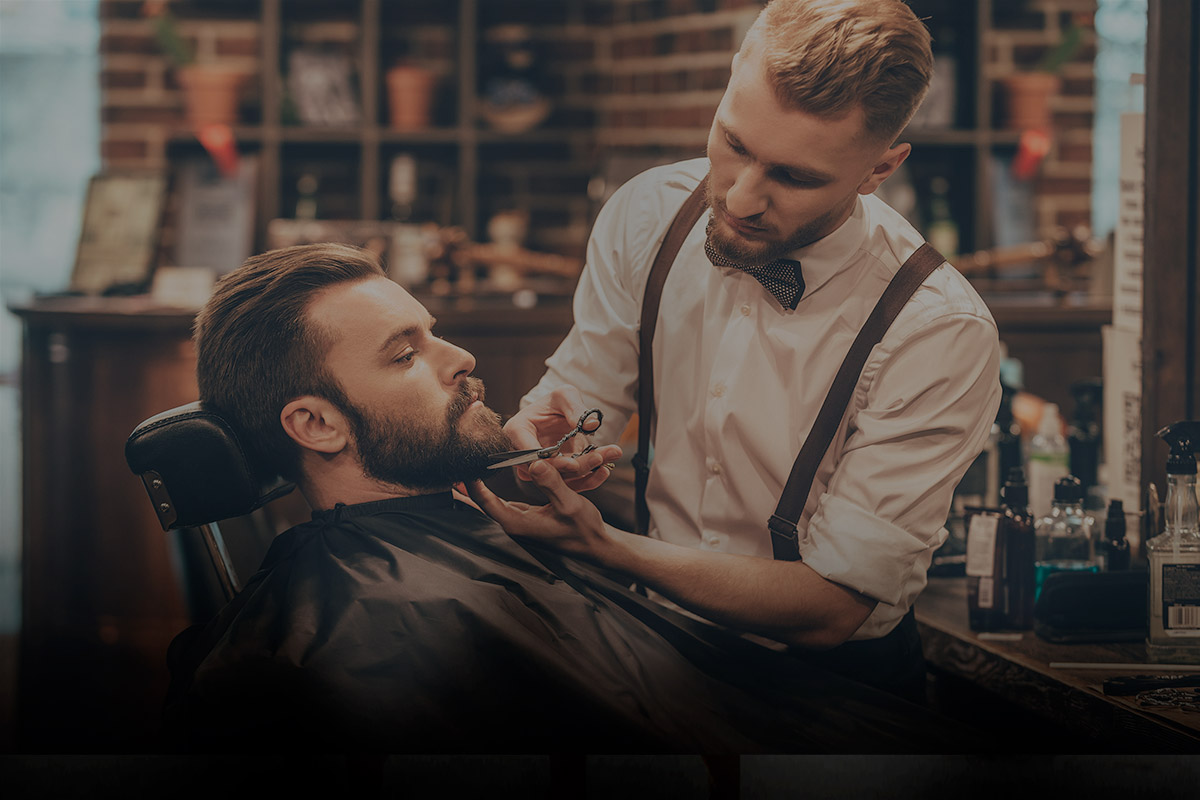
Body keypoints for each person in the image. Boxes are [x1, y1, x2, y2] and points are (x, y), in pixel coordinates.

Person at [166, 242, 980, 754]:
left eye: (434, 330)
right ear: (314, 424)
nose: (457, 357)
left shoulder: (469, 532)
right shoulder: (372, 625)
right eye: (404, 355)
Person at [489, 0, 1002, 701]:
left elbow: (831, 606)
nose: (740, 198)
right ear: (731, 82)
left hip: (833, 692)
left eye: (794, 177)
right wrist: (541, 440)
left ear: (880, 168)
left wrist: (604, 547)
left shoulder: (937, 329)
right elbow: (583, 392)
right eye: (733, 143)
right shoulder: (647, 215)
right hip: (652, 650)